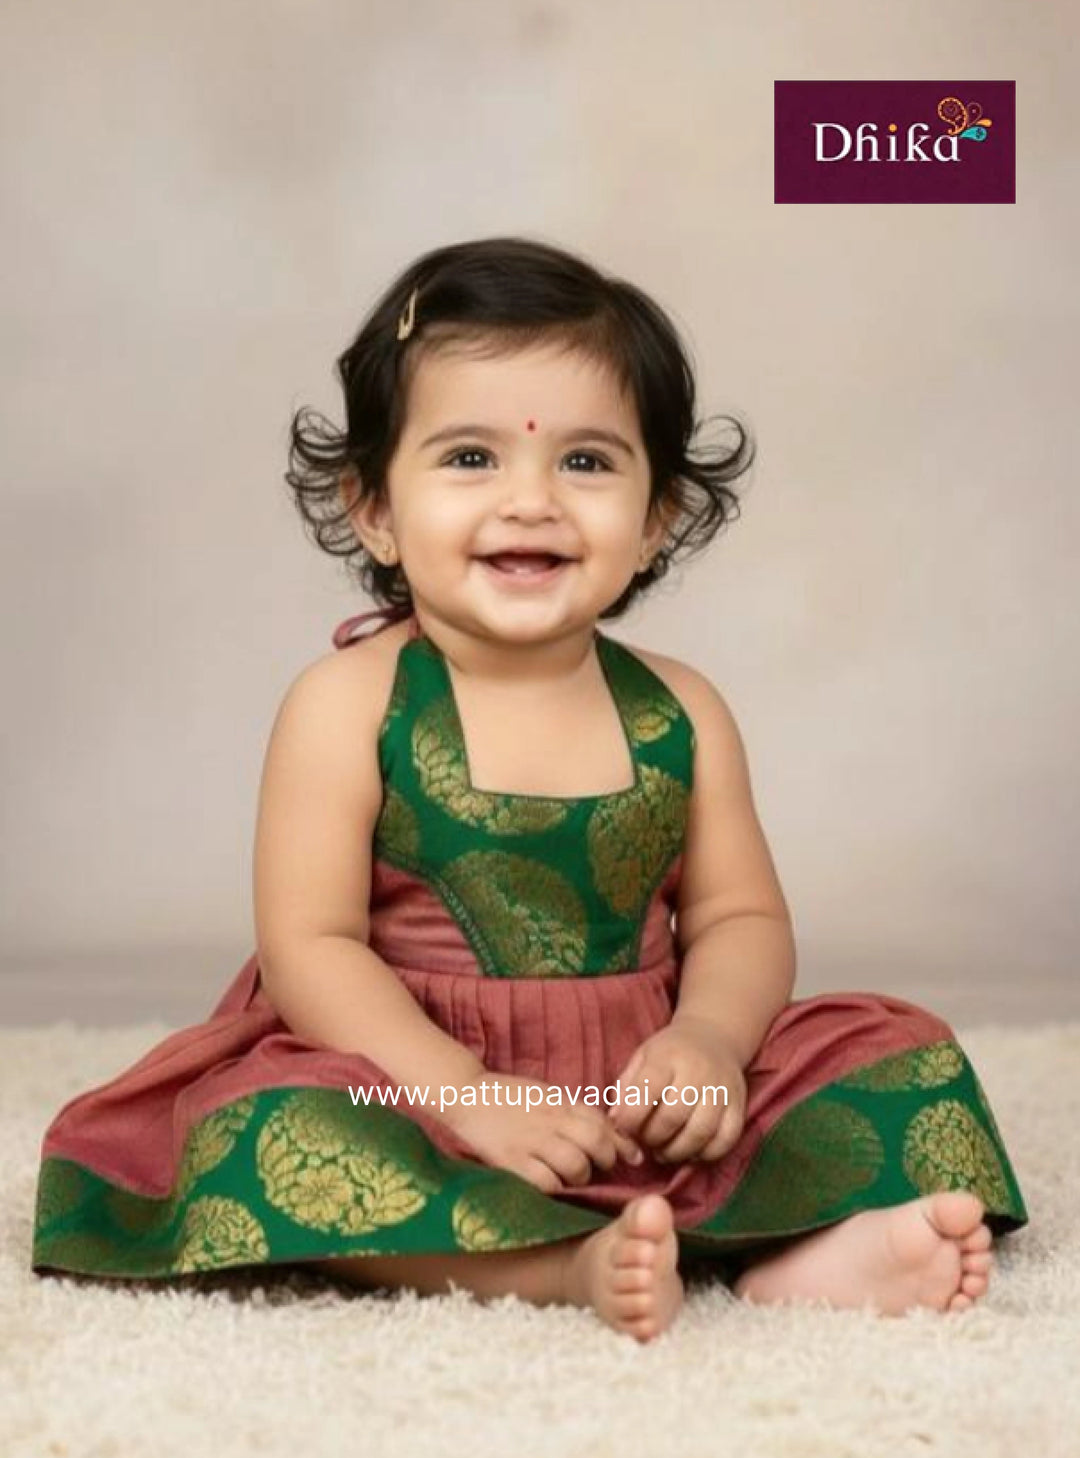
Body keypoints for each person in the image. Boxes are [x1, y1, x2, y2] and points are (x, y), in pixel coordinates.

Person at [31, 235, 1028, 1340]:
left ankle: (794, 1260)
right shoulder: (350, 704)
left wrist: (707, 1043)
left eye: (587, 464)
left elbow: (740, 914)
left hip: (643, 1092)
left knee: (901, 1053)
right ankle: (558, 1270)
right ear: (373, 509)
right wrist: (464, 1092)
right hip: (404, 1083)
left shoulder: (682, 712)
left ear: (656, 520)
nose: (532, 501)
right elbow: (311, 947)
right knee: (263, 1133)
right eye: (470, 459)